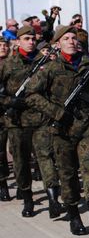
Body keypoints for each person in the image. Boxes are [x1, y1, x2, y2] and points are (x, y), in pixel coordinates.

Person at [26, 25, 89, 236]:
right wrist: (56, 112)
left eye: (74, 38)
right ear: (58, 43)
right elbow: (31, 94)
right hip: (63, 129)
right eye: (66, 38)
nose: (71, 41)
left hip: (88, 125)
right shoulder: (51, 68)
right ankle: (74, 215)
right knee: (67, 173)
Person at [0, 26, 61, 218]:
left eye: (33, 38)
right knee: (20, 161)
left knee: (46, 157)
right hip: (16, 121)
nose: (31, 41)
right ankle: (28, 199)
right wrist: (10, 101)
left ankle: (53, 199)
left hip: (41, 118)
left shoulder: (45, 62)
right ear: (17, 42)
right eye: (26, 38)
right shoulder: (7, 64)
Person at [0, 37, 12, 201]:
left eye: (4, 45)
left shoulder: (13, 64)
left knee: (16, 152)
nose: (3, 47)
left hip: (14, 114)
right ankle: (2, 184)